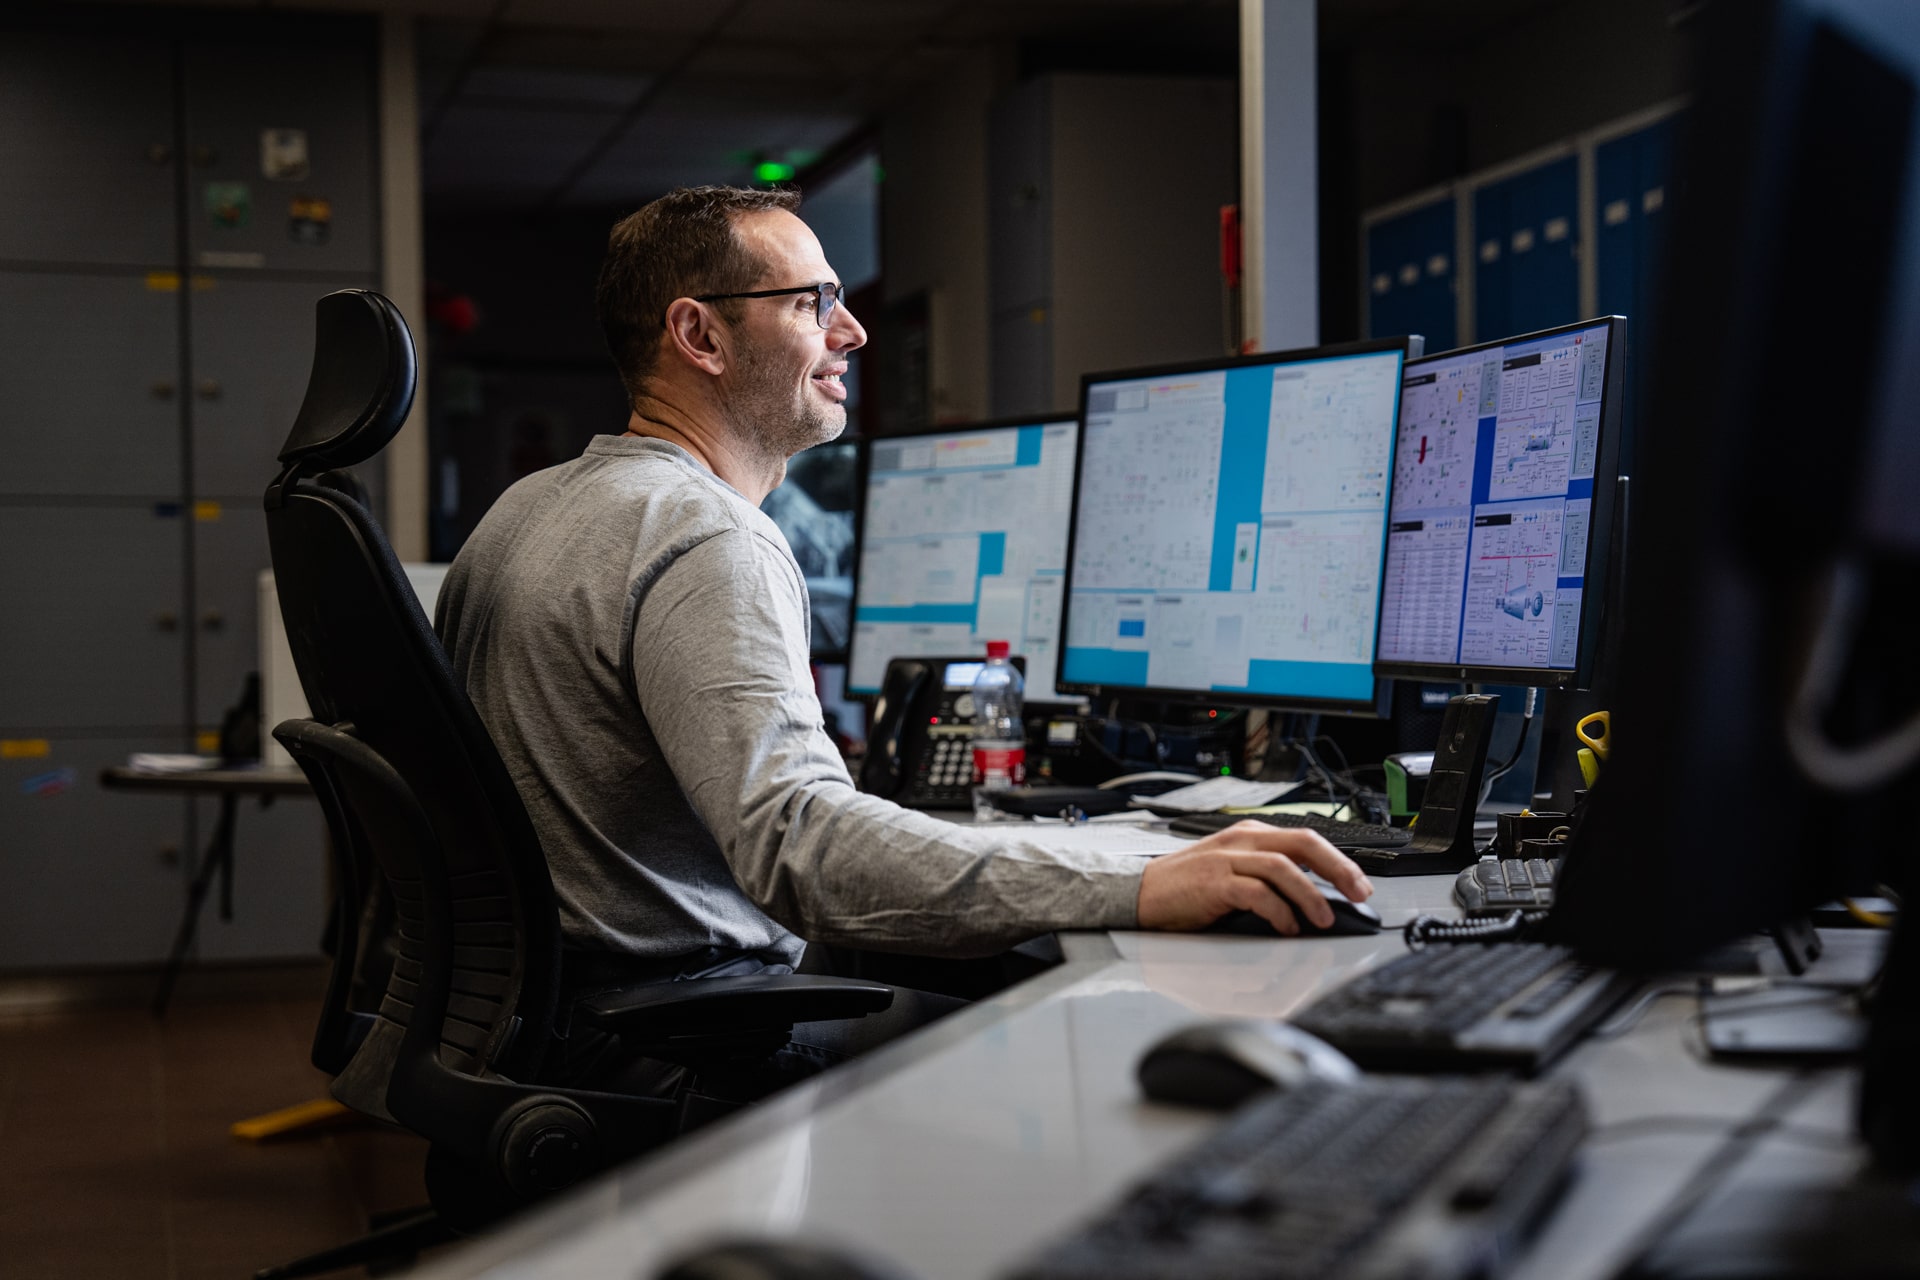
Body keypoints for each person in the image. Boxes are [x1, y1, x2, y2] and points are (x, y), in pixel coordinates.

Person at [435, 185, 1372, 1114]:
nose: (853, 334)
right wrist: (1143, 879)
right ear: (702, 337)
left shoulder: (528, 507)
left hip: (546, 1023)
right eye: (815, 303)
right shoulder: (703, 535)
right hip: (672, 1040)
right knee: (1094, 1045)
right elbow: (798, 847)